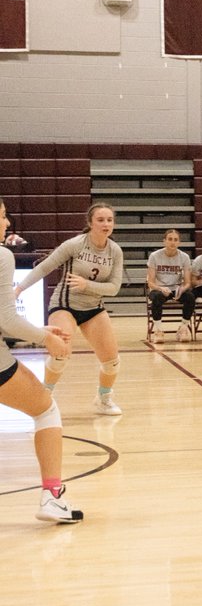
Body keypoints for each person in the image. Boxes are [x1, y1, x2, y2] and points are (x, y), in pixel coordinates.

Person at [0, 196, 84, 522]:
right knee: (46, 410)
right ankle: (52, 496)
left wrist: (38, 329)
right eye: (4, 216)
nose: (7, 224)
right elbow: (7, 320)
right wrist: (46, 338)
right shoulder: (3, 255)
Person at [15, 202, 125, 415]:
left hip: (93, 306)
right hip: (65, 305)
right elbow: (45, 266)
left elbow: (114, 287)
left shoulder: (115, 251)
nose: (106, 224)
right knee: (60, 353)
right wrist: (19, 288)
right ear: (90, 223)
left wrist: (87, 285)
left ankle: (103, 399)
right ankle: (44, 396)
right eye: (100, 220)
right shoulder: (75, 244)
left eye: (109, 220)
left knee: (112, 361)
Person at [146, 228, 196, 343]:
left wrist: (182, 289)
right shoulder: (155, 256)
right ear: (164, 241)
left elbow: (188, 282)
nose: (172, 242)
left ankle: (183, 328)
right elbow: (150, 282)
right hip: (159, 288)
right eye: (170, 239)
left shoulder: (184, 257)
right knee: (157, 298)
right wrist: (160, 288)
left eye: (175, 240)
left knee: (190, 297)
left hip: (176, 288)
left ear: (179, 242)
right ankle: (158, 331)